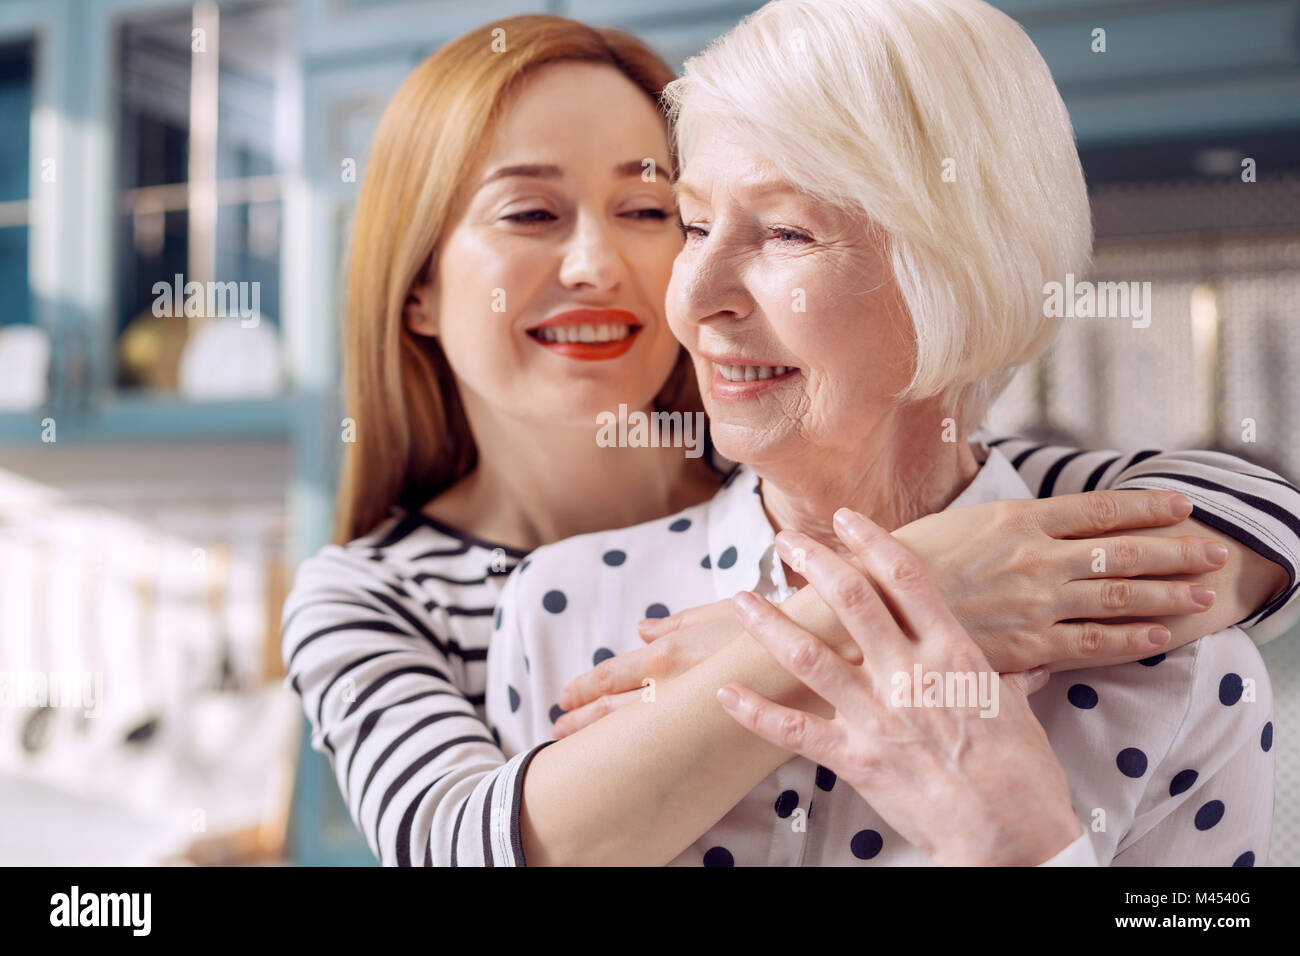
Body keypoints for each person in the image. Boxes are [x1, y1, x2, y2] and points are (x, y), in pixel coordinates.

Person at [283, 13, 1297, 867]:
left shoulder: (1142, 639)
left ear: (960, 269)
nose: (664, 283)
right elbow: (471, 839)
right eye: (691, 222)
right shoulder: (525, 604)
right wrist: (872, 608)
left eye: (647, 211)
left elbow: (1256, 513)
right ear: (412, 288)